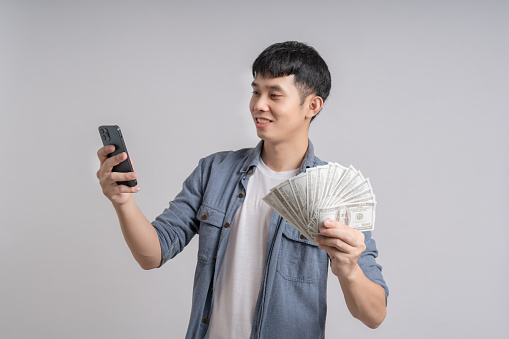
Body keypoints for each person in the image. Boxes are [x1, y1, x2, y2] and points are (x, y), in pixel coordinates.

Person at [96, 41, 388, 339]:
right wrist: (122, 201)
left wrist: (349, 268)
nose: (259, 104)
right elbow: (152, 254)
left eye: (274, 94)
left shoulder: (334, 193)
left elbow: (374, 315)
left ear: (312, 106)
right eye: (256, 91)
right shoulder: (214, 171)